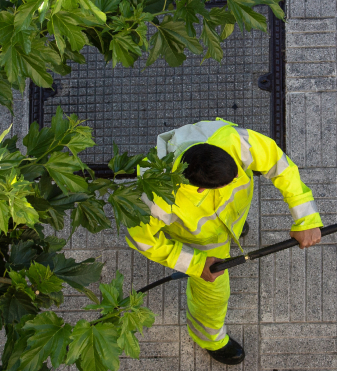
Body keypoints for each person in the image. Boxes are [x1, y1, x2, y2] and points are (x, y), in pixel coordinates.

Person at [125, 118, 321, 365]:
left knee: (236, 225)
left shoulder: (232, 140)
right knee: (213, 297)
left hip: (231, 220)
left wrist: (306, 219)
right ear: (199, 190)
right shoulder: (155, 198)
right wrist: (196, 264)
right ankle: (210, 339)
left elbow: (277, 162)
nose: (239, 179)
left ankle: (233, 230)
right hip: (202, 244)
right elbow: (142, 240)